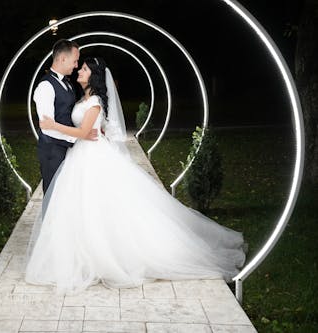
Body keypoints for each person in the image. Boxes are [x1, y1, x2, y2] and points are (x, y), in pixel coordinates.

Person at [24, 56, 246, 295]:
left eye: (85, 68)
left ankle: (106, 255)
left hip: (92, 156)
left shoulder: (96, 100)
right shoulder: (84, 99)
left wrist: (54, 126)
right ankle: (82, 251)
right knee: (83, 206)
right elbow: (87, 131)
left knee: (98, 205)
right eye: (80, 66)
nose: (79, 70)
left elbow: (83, 131)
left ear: (95, 76)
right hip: (81, 155)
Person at [34, 39, 98, 194]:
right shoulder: (45, 87)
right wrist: (80, 136)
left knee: (65, 198)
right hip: (52, 151)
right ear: (63, 59)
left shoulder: (68, 83)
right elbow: (48, 128)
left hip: (67, 150)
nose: (76, 66)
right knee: (52, 196)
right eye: (75, 61)